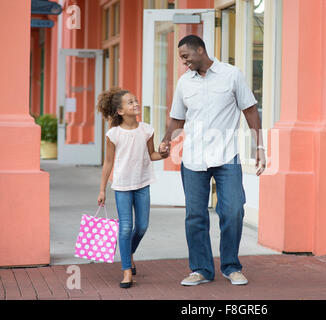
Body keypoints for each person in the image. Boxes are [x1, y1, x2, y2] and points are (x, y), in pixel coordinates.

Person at [158, 35, 266, 286]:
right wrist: (166, 140)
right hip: (193, 158)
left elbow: (249, 109)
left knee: (233, 210)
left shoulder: (231, 74)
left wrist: (259, 146)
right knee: (195, 215)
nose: (183, 62)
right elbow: (177, 118)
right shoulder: (184, 83)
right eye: (181, 58)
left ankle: (231, 266)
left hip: (226, 155)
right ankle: (201, 269)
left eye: (186, 56)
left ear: (200, 50)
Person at [96, 87, 167, 288]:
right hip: (122, 186)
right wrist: (102, 189)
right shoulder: (114, 134)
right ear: (120, 111)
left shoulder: (147, 130)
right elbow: (108, 162)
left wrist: (164, 155)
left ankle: (129, 252)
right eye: (130, 102)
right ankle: (127, 270)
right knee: (125, 227)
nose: (135, 104)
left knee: (142, 226)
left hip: (143, 183)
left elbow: (151, 155)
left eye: (135, 100)